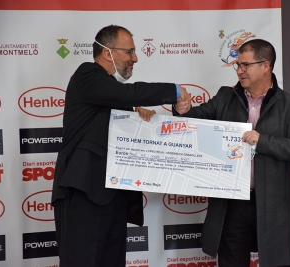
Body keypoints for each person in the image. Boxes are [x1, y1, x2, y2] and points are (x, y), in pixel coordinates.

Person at [52, 25, 189, 267]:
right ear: (107, 53)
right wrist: (174, 91)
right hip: (83, 193)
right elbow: (127, 94)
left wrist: (137, 118)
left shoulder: (112, 95)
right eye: (130, 51)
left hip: (113, 195)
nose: (135, 58)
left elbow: (116, 111)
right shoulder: (87, 74)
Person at [174, 39, 290, 267]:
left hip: (272, 204)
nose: (239, 71)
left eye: (245, 65)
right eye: (237, 65)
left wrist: (263, 141)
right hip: (232, 204)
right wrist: (183, 110)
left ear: (265, 66)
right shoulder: (225, 97)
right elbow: (195, 121)